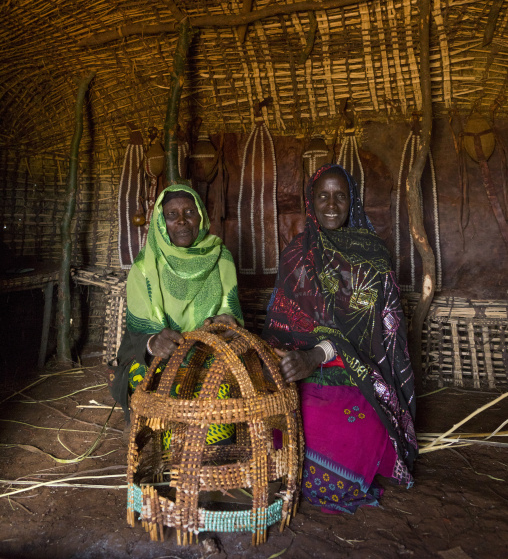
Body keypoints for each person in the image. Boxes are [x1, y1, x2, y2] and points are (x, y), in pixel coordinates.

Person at [262, 164, 417, 514]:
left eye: (340, 196)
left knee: (332, 434)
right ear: (310, 203)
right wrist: (288, 358)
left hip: (357, 375)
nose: (331, 205)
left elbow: (375, 335)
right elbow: (281, 322)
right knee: (273, 424)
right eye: (322, 196)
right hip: (301, 373)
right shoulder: (296, 254)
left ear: (353, 202)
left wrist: (317, 355)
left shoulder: (372, 256)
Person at [110, 185, 243, 444]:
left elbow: (230, 309)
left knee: (220, 388)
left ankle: (202, 447)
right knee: (143, 375)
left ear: (201, 217)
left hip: (209, 353)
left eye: (189, 211)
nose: (181, 220)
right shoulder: (144, 266)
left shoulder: (221, 256)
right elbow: (139, 329)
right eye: (172, 214)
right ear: (162, 222)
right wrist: (152, 342)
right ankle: (161, 440)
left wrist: (226, 322)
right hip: (159, 358)